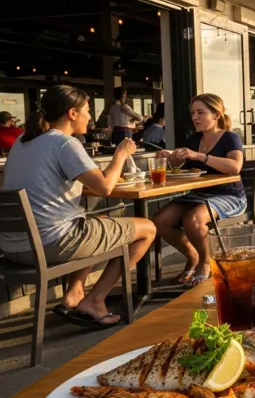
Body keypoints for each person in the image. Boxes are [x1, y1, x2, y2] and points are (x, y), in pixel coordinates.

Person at [0, 85, 156, 328]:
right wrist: (121, 155)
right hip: (51, 243)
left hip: (12, 246)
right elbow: (104, 187)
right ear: (72, 113)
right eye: (87, 110)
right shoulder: (64, 143)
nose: (91, 117)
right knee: (147, 228)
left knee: (98, 224)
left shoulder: (23, 140)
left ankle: (74, 293)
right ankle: (95, 300)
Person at [153, 94, 246, 287]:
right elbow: (185, 167)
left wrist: (200, 156)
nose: (195, 117)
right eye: (193, 112)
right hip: (199, 194)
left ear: (216, 114)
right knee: (160, 222)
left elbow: (235, 166)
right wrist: (172, 158)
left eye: (201, 112)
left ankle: (205, 263)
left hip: (229, 195)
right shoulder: (194, 139)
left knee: (193, 221)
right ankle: (193, 256)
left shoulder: (230, 138)